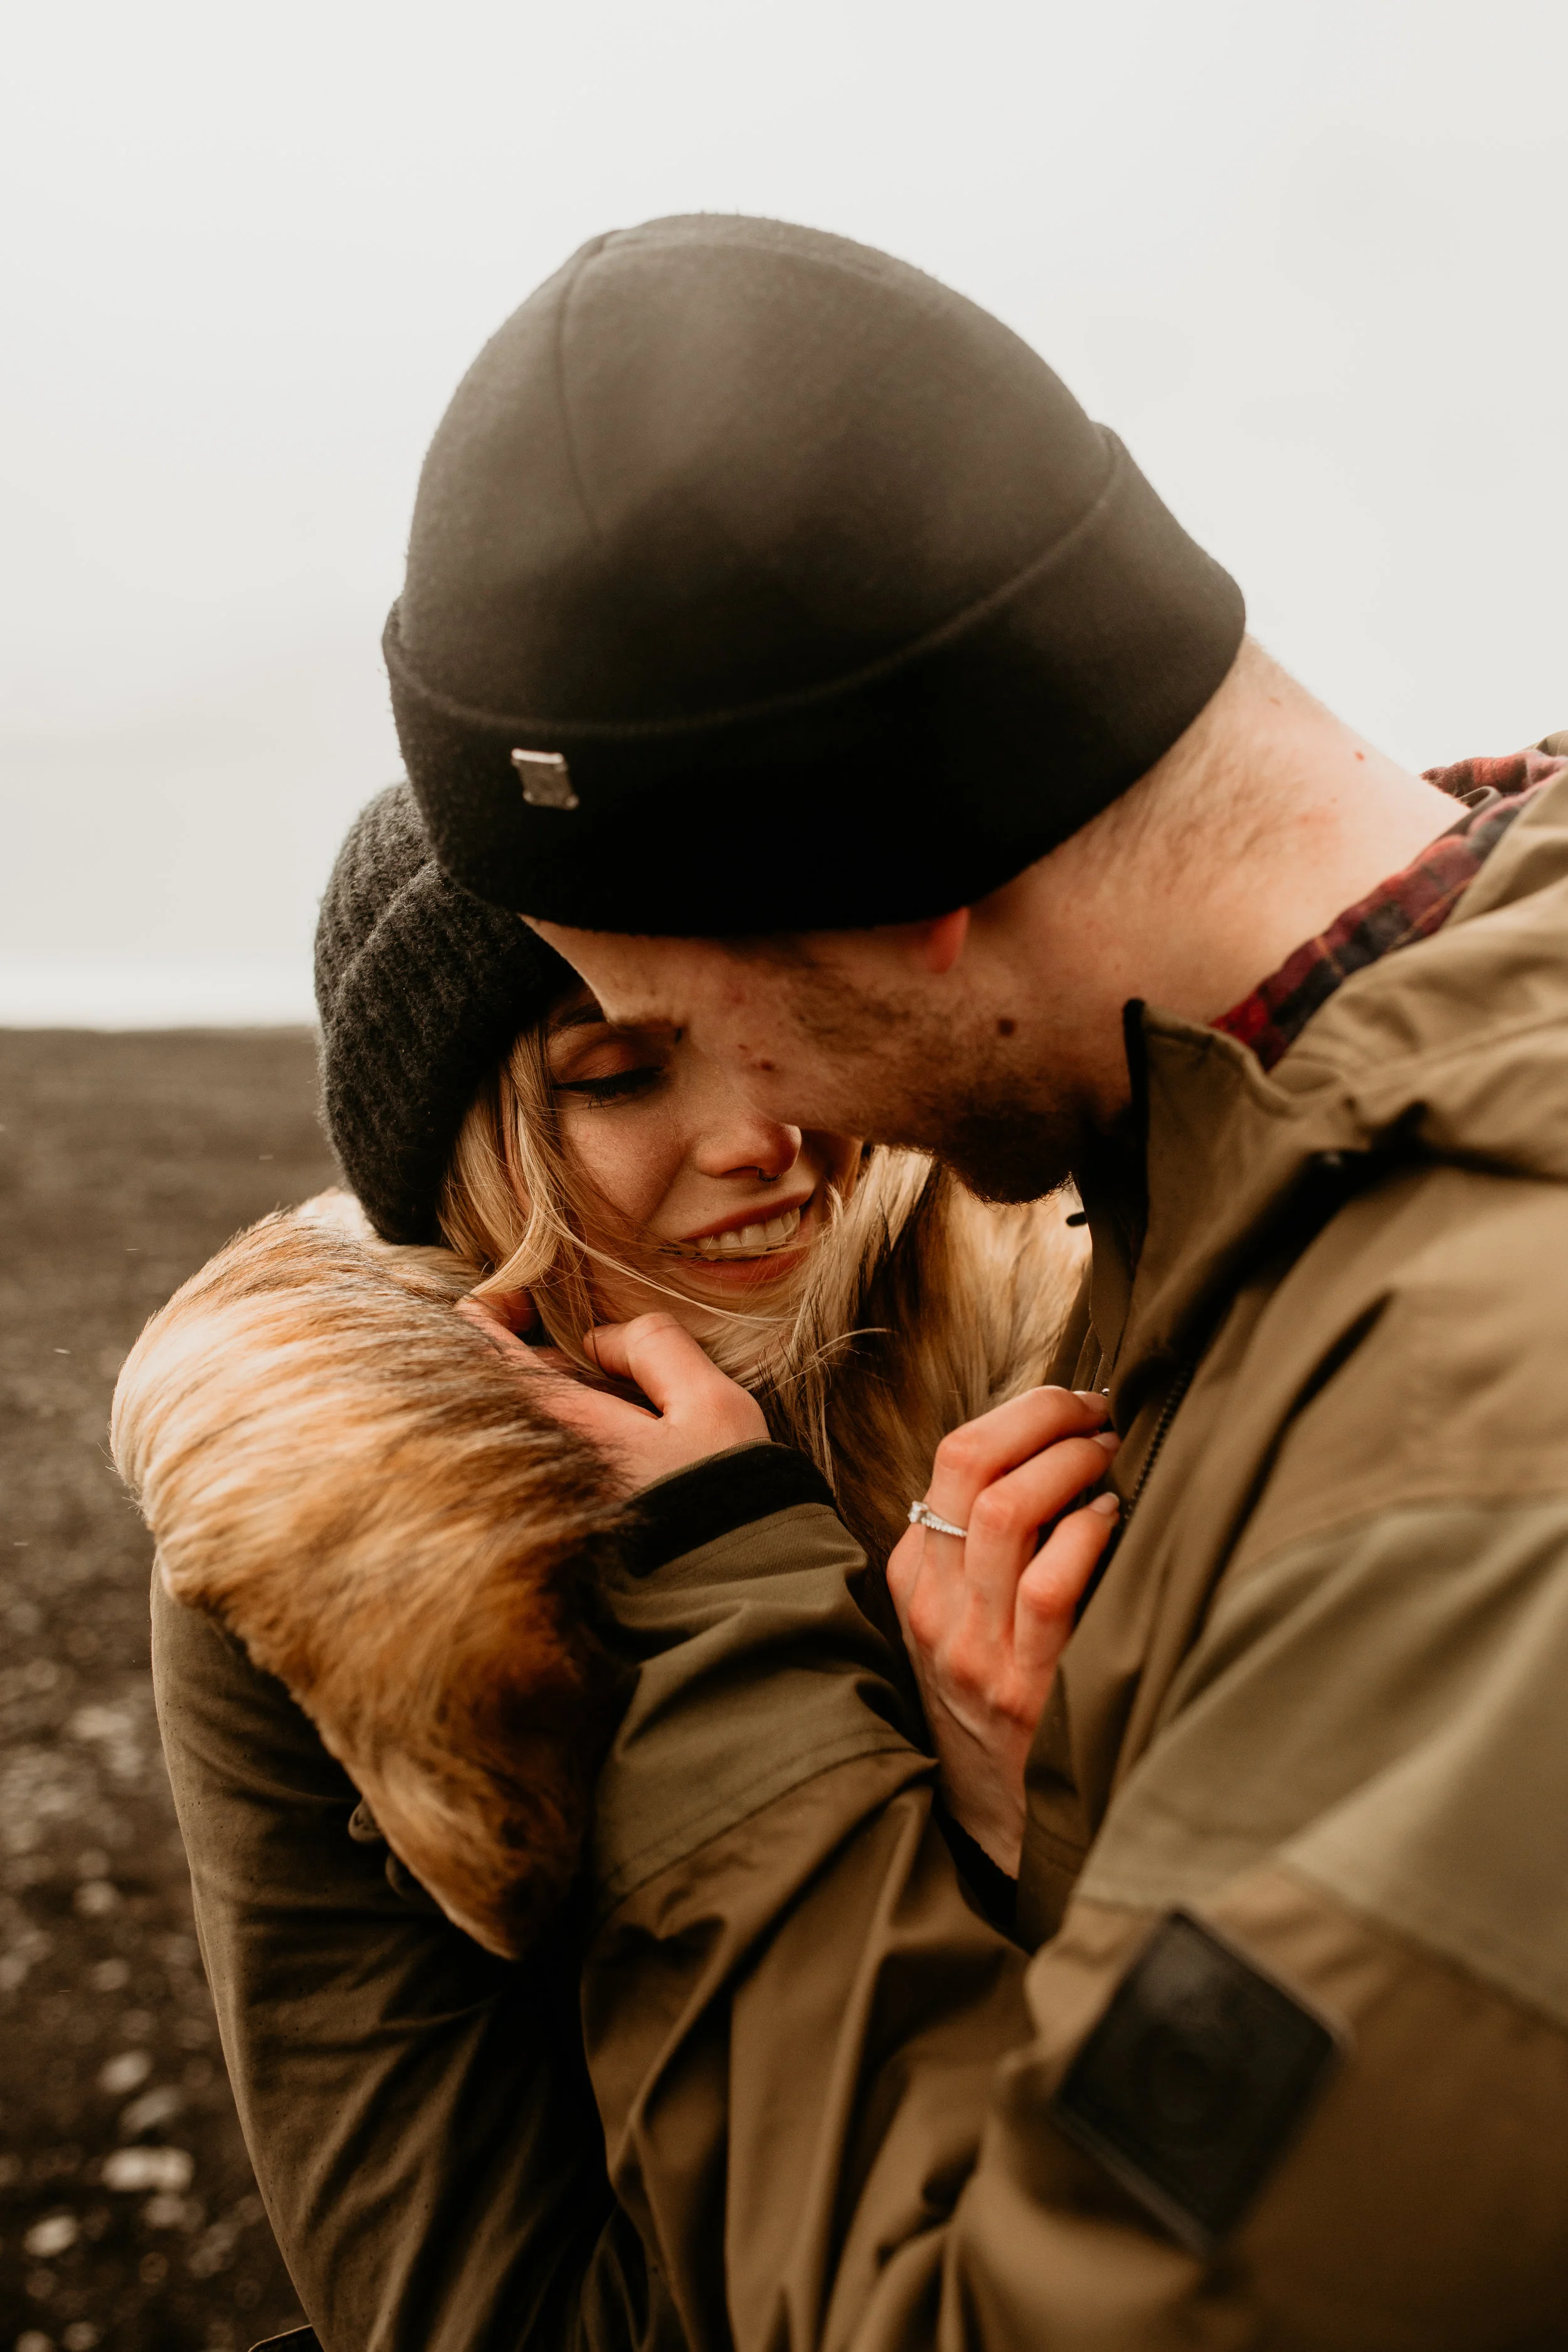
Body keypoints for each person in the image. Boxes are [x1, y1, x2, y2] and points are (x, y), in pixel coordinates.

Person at [373, 214, 1568, 2343]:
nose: (771, 1128)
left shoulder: (1479, 1453)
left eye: (687, 1018)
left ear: (890, 882)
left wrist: (739, 1660)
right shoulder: (1291, 1167)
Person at [113, 781, 1106, 2343]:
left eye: (766, 1019)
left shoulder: (1012, 1370)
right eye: (621, 1071)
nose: (760, 1136)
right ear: (456, 1151)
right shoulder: (342, 1538)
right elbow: (485, 2313)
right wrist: (973, 1825)